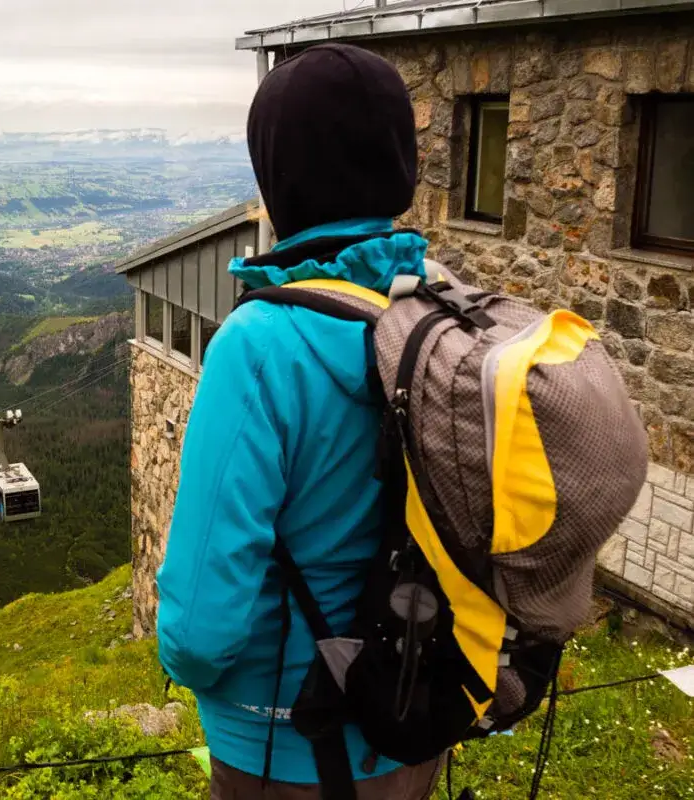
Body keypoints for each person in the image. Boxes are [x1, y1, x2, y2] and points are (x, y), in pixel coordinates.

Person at [155, 43, 443, 799]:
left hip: (286, 740)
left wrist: (194, 672)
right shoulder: (439, 313)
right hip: (416, 713)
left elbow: (197, 630)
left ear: (277, 175)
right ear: (398, 163)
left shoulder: (257, 345)